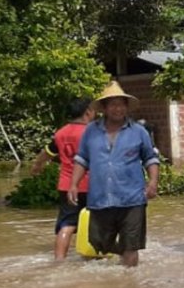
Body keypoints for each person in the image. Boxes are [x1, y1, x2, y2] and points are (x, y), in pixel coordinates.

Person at [68, 81, 160, 267]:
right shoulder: (91, 132)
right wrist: (74, 184)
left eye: (121, 104)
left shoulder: (138, 132)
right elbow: (82, 159)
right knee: (98, 242)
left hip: (132, 198)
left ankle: (129, 282)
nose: (117, 109)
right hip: (100, 198)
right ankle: (124, 253)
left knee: (131, 245)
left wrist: (153, 182)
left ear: (126, 107)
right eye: (113, 104)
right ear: (104, 107)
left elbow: (150, 158)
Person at [30, 97, 94, 260]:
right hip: (93, 185)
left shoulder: (60, 133)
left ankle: (59, 260)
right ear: (88, 112)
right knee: (97, 222)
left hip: (67, 186)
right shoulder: (93, 132)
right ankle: (94, 257)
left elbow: (47, 153)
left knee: (66, 225)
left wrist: (37, 166)